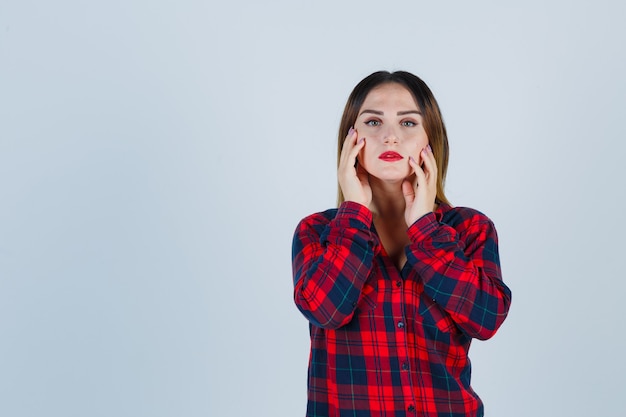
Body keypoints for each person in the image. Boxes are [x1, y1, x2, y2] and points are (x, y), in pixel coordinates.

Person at [291, 70, 512, 417]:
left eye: (408, 123)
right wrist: (353, 213)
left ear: (430, 138)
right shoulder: (317, 231)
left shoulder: (470, 229)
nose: (390, 137)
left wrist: (425, 228)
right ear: (350, 140)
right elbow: (325, 309)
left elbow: (486, 319)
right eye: (373, 122)